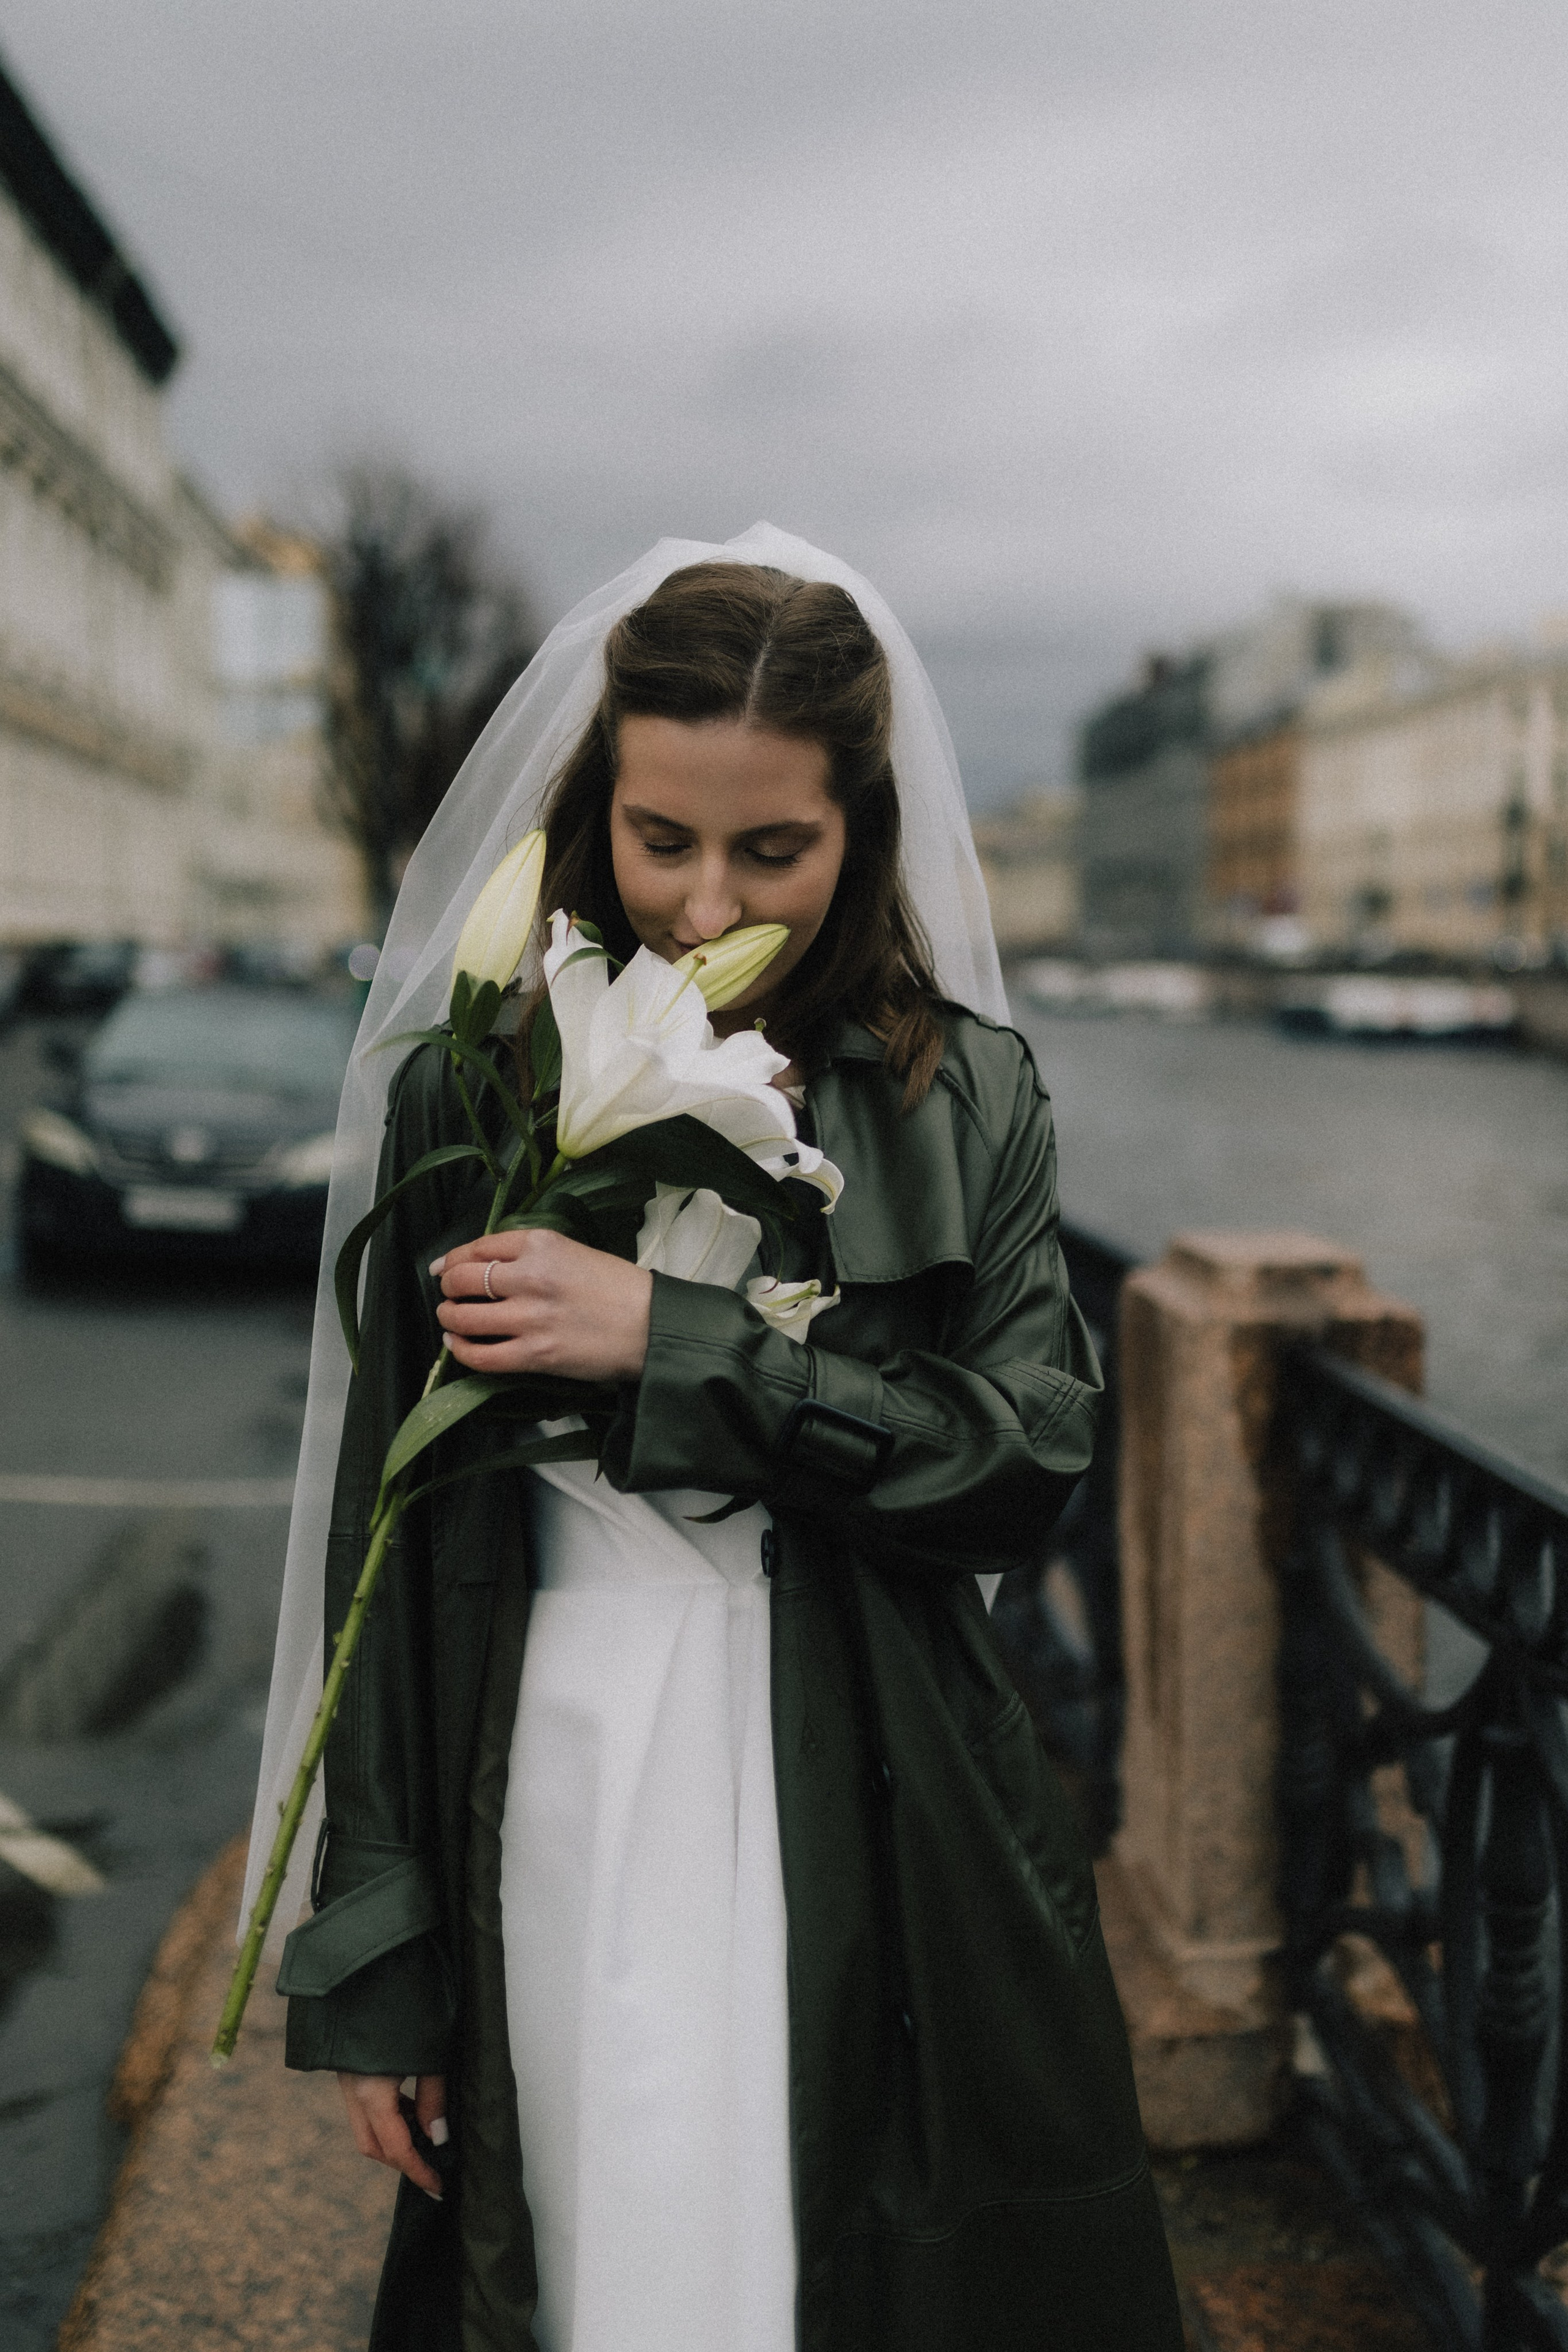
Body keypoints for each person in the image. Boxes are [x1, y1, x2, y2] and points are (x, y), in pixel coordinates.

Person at [254, 527, 1183, 2351]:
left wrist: (676, 1346)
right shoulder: (472, 1081)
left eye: (775, 849)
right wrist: (379, 1966)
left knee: (830, 2250)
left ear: (864, 832)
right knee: (593, 2238)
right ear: (596, 803)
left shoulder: (966, 1091)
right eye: (659, 837)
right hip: (552, 1762)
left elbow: (1020, 1461)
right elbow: (397, 1535)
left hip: (874, 1776)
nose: (702, 900)